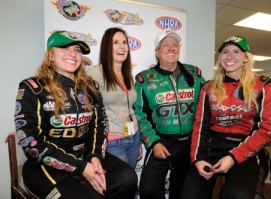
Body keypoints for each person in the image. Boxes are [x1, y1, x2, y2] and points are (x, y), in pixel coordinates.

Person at [13, 30, 137, 199]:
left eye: (77, 50)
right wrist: (80, 167)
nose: (72, 53)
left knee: (127, 177)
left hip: (84, 157)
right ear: (50, 55)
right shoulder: (32, 87)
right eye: (64, 48)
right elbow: (31, 142)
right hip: (44, 166)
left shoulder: (90, 87)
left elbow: (100, 126)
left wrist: (95, 157)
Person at [180, 35, 271, 199]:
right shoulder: (209, 88)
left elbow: (267, 130)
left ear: (246, 58)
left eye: (236, 52)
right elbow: (200, 126)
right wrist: (197, 159)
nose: (229, 56)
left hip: (247, 149)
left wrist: (233, 157)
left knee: (235, 195)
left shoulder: (263, 85)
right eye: (225, 52)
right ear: (220, 58)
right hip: (213, 148)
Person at [134, 29, 206, 199]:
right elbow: (139, 114)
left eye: (175, 45)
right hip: (161, 142)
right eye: (166, 45)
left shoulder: (195, 74)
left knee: (182, 190)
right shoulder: (144, 79)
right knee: (148, 189)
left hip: (189, 142)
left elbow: (205, 109)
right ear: (157, 52)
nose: (171, 48)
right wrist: (153, 142)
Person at [87, 27, 141, 169]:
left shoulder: (127, 74)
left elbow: (130, 107)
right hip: (112, 141)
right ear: (106, 47)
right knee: (120, 184)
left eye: (124, 42)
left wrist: (138, 140)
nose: (121, 46)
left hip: (134, 137)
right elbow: (86, 108)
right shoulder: (96, 72)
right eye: (115, 42)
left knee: (130, 182)